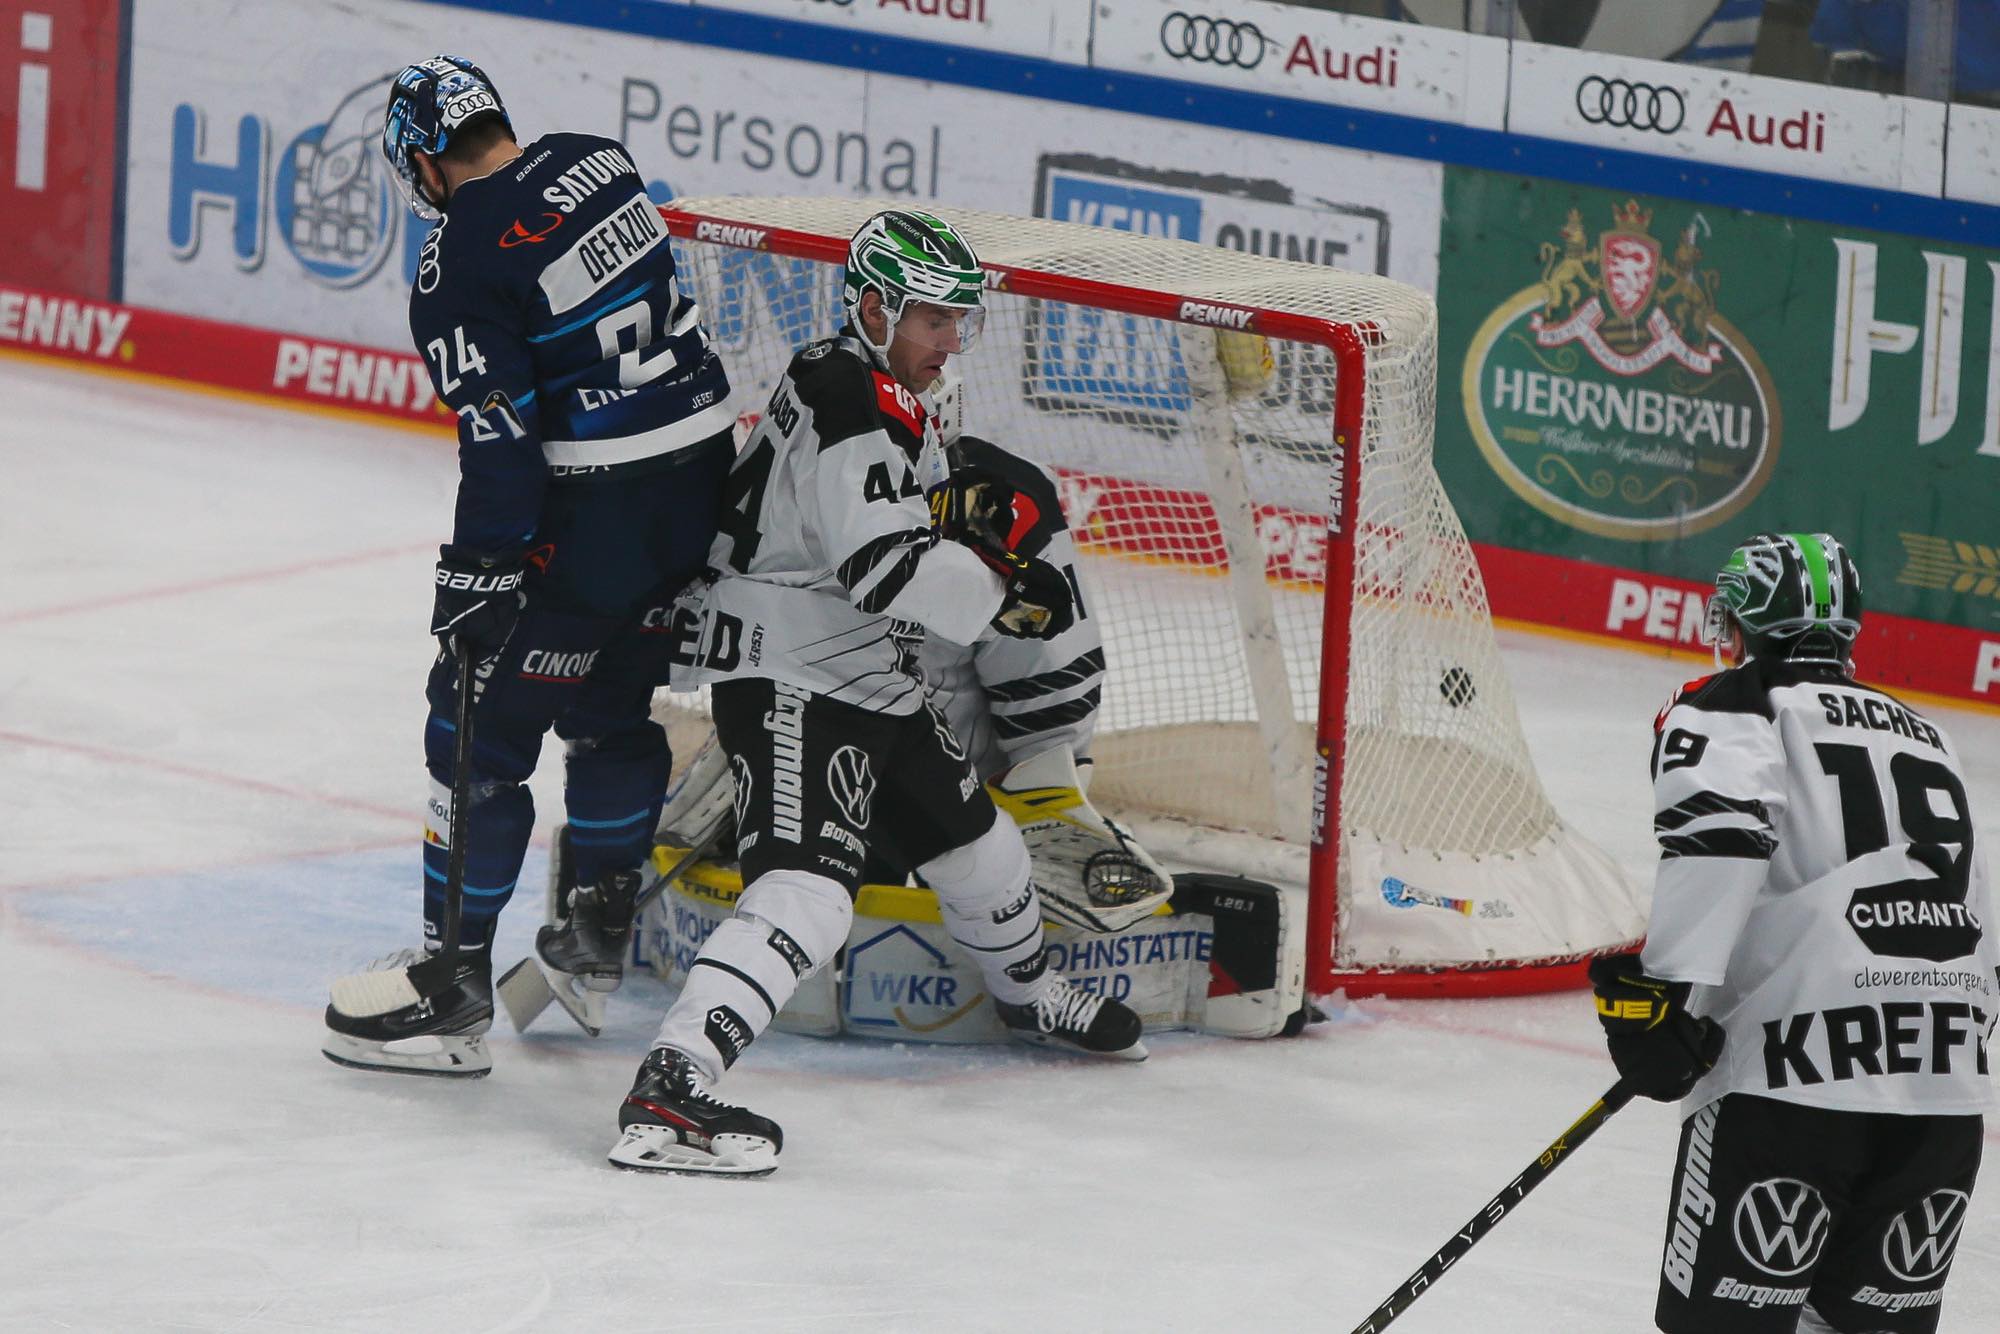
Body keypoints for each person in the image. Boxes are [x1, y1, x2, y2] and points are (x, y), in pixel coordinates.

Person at [614, 209, 1147, 1177]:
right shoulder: (847, 392)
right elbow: (880, 566)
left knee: (984, 852)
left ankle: (1026, 996)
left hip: (864, 670)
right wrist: (1000, 586)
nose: (951, 340)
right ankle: (672, 1080)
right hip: (793, 673)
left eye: (959, 320)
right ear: (873, 308)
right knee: (809, 893)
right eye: (934, 319)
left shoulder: (879, 386)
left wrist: (966, 538)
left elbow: (881, 528)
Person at [321, 56, 734, 1077]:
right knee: (612, 709)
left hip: (596, 515)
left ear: (424, 162)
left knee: (473, 730)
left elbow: (502, 445)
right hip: (698, 488)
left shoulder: (454, 261)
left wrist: (479, 575)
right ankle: (595, 938)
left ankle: (450, 990)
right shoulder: (600, 160)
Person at [1588, 532, 1997, 1334]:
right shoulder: (1927, 732)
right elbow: (1977, 899)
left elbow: (1721, 838)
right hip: (1943, 1091)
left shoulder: (1731, 704)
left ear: (1741, 622)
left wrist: (1667, 1000)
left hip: (1790, 1083)